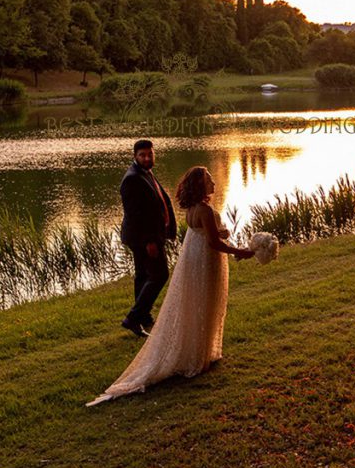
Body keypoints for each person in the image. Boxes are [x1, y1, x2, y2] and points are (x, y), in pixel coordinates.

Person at [87, 166, 254, 406]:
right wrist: (241, 252)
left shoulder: (192, 209)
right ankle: (199, 358)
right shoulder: (205, 210)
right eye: (209, 179)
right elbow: (214, 243)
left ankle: (201, 351)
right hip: (207, 259)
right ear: (200, 185)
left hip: (195, 259)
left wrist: (221, 231)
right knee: (205, 303)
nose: (214, 182)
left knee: (197, 302)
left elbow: (205, 233)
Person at [119, 139, 177, 337]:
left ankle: (143, 317)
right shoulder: (132, 179)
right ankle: (133, 318)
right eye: (142, 155)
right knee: (160, 275)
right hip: (143, 238)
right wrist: (149, 242)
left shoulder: (145, 173)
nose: (147, 158)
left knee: (143, 275)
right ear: (135, 156)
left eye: (149, 154)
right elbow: (136, 216)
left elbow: (160, 201)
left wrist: (169, 229)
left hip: (150, 235)